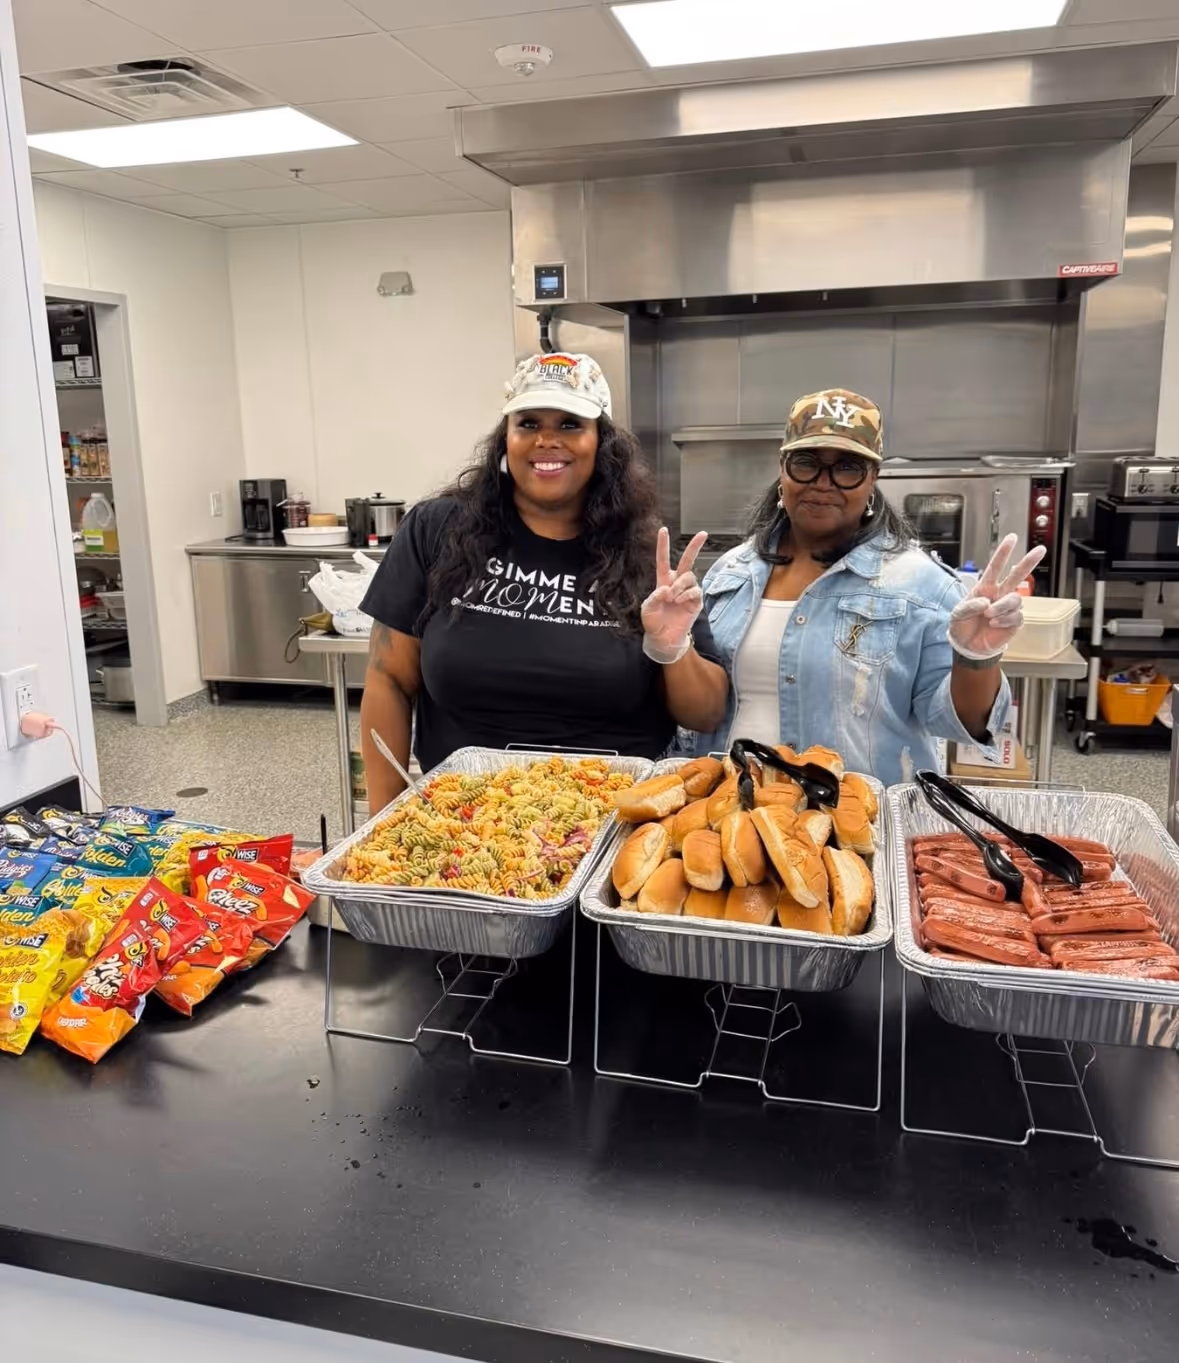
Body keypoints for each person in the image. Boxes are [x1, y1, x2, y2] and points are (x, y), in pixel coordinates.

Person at [359, 352, 728, 811]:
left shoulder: (644, 555)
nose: (547, 440)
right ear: (505, 439)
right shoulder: (437, 530)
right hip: (458, 822)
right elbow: (387, 678)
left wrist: (673, 647)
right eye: (528, 423)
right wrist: (379, 822)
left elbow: (707, 711)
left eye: (571, 424)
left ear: (602, 442)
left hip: (606, 821)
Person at [692, 387, 1043, 787]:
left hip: (857, 825)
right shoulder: (729, 573)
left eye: (847, 468)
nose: (823, 484)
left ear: (873, 479)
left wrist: (977, 658)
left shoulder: (921, 586)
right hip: (730, 817)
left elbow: (958, 722)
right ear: (783, 470)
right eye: (806, 463)